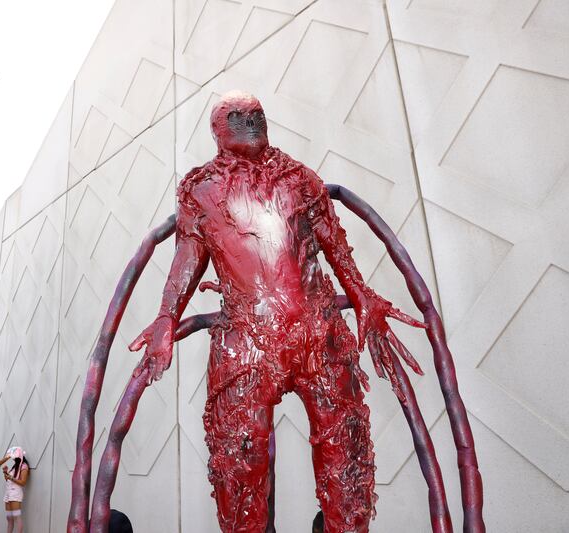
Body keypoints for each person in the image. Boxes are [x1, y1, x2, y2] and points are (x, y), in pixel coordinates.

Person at [130, 91, 425, 533]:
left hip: (318, 334)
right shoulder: (201, 188)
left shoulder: (300, 179)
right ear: (218, 130)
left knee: (346, 468)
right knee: (239, 479)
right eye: (236, 115)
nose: (248, 119)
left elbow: (333, 242)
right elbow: (188, 257)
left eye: (254, 113)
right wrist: (166, 318)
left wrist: (363, 296)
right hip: (245, 347)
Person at [2, 451, 30, 533]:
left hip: (15, 494)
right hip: (8, 494)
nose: (13, 458)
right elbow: (8, 479)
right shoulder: (15, 466)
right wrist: (5, 472)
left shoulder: (24, 466)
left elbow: (23, 482)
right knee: (9, 518)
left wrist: (11, 478)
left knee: (17, 517)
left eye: (14, 456)